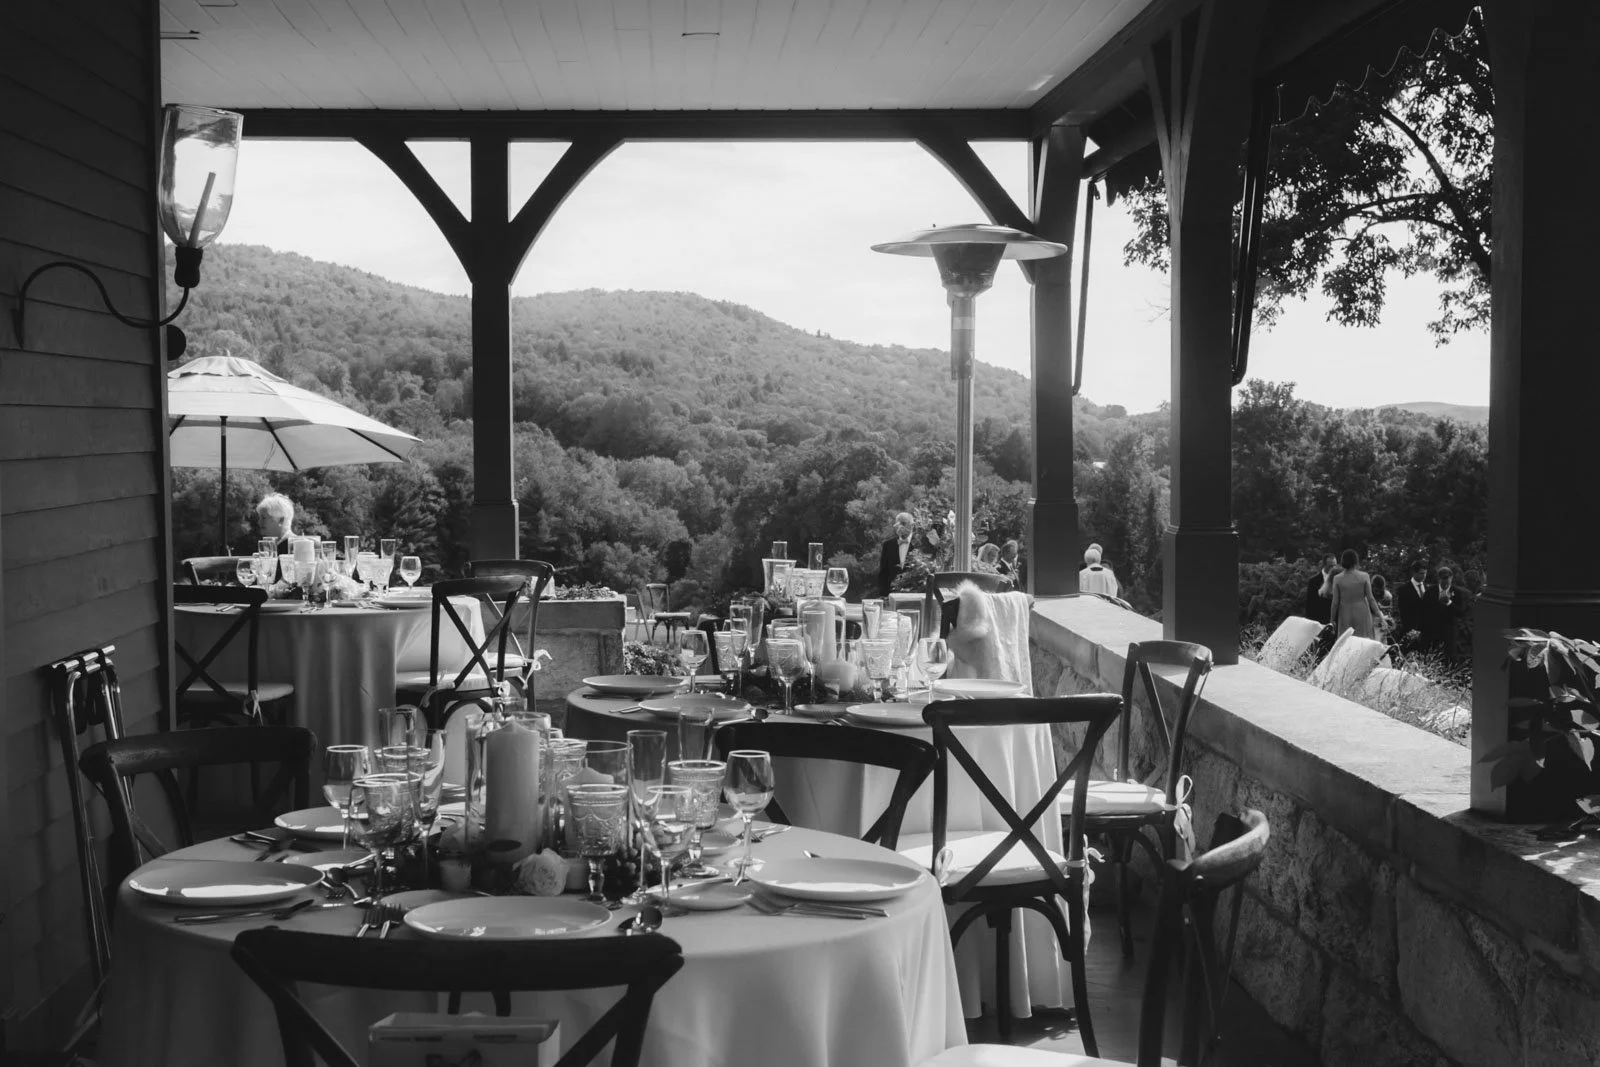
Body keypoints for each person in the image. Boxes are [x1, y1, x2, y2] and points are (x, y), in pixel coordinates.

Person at [1329, 549, 1383, 640]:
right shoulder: (1364, 576)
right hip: (1362, 612)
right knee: (1364, 641)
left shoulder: (1337, 579)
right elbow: (1371, 599)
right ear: (1356, 561)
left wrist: (1332, 620)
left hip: (1345, 613)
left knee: (1346, 641)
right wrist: (1380, 615)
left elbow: (1335, 603)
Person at [1422, 565, 1469, 663]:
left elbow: (1462, 613)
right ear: (1438, 579)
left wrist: (1449, 603)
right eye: (1443, 581)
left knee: (1449, 661)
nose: (1446, 584)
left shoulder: (1458, 592)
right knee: (1432, 661)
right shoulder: (1430, 591)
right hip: (1433, 633)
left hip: (1450, 635)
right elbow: (1424, 611)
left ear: (1451, 578)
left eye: (1448, 581)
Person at [878, 511, 917, 597]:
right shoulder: (888, 545)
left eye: (903, 523)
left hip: (915, 594)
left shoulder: (920, 544)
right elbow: (883, 573)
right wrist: (883, 596)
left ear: (912, 525)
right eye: (898, 524)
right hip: (891, 594)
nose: (900, 526)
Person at [1395, 559, 1430, 647]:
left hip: (1427, 631)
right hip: (1412, 631)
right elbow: (1404, 613)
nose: (1424, 576)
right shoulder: (1404, 590)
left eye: (1425, 573)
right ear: (1414, 572)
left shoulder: (1428, 588)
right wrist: (1412, 631)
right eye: (1421, 573)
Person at [1303, 554, 1338, 624]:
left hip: (1335, 620)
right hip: (1319, 619)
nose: (1333, 568)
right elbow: (1310, 604)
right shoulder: (1314, 581)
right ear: (1324, 565)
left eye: (1335, 565)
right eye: (1330, 566)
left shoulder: (1339, 579)